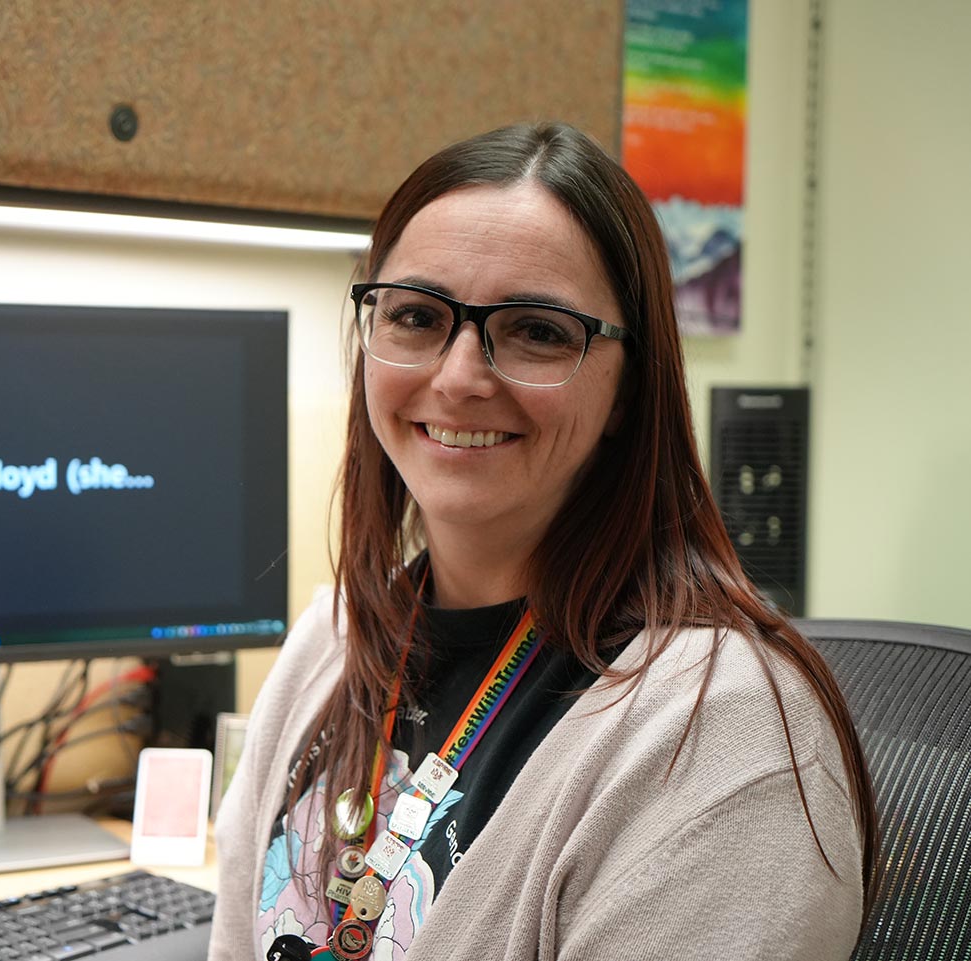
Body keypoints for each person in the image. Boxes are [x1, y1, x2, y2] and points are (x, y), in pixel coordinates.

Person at [208, 122, 876, 961]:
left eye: (537, 330)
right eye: (416, 315)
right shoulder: (332, 642)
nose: (457, 377)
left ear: (629, 390)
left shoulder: (721, 738)